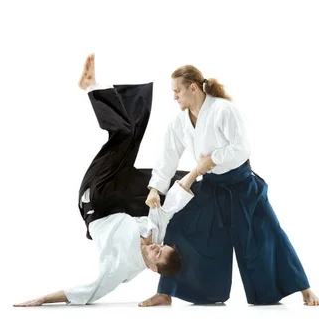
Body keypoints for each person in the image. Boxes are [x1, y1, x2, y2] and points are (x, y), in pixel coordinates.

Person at [14, 55, 200, 307]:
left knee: (122, 136)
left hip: (96, 201)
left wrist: (45, 299)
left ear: (153, 268)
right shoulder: (156, 234)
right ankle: (98, 89)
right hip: (120, 196)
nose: (157, 246)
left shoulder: (120, 268)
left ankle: (90, 86)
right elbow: (171, 205)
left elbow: (88, 290)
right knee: (137, 138)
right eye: (162, 247)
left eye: (157, 253)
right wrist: (198, 173)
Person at [140, 65, 319, 307]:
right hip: (212, 188)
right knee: (179, 225)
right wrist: (155, 188)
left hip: (242, 185)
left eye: (177, 91)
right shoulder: (179, 122)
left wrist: (213, 159)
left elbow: (242, 148)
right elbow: (168, 156)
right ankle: (166, 292)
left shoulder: (223, 110)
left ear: (193, 88)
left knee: (269, 233)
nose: (174, 96)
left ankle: (305, 290)